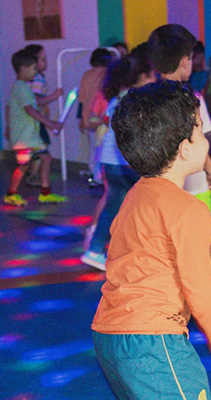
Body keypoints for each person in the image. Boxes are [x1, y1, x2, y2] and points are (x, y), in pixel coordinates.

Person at [92, 80, 211, 399]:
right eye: (199, 130)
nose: (205, 137)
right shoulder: (188, 209)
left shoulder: (135, 196)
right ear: (185, 149)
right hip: (154, 342)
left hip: (109, 335)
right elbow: (198, 284)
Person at [148, 23, 211, 314]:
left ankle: (172, 295)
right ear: (185, 60)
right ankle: (206, 295)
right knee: (199, 243)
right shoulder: (191, 100)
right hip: (193, 186)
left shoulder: (147, 99)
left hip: (160, 186)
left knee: (167, 244)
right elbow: (199, 141)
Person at [80, 47, 155, 271]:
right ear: (142, 77)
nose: (154, 79)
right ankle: (143, 253)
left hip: (110, 162)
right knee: (146, 206)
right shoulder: (136, 101)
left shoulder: (117, 99)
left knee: (113, 205)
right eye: (152, 75)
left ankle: (94, 250)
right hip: (127, 163)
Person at [4, 49, 65, 206]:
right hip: (24, 138)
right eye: (32, 68)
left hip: (31, 136)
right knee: (23, 166)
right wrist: (50, 124)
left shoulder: (23, 87)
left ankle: (45, 193)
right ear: (23, 68)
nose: (34, 72)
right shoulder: (21, 87)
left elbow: (17, 106)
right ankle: (11, 193)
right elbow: (30, 110)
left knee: (46, 158)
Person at [22, 44, 63, 187]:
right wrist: (54, 96)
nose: (45, 62)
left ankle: (32, 174)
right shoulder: (37, 78)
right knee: (42, 149)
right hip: (35, 120)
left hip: (34, 120)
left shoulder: (35, 78)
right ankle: (33, 176)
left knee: (39, 149)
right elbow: (35, 100)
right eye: (43, 60)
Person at [78, 47, 113, 182]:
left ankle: (94, 172)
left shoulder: (87, 74)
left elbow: (82, 98)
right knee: (104, 146)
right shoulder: (109, 73)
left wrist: (82, 118)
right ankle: (101, 176)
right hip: (105, 114)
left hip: (89, 114)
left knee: (94, 146)